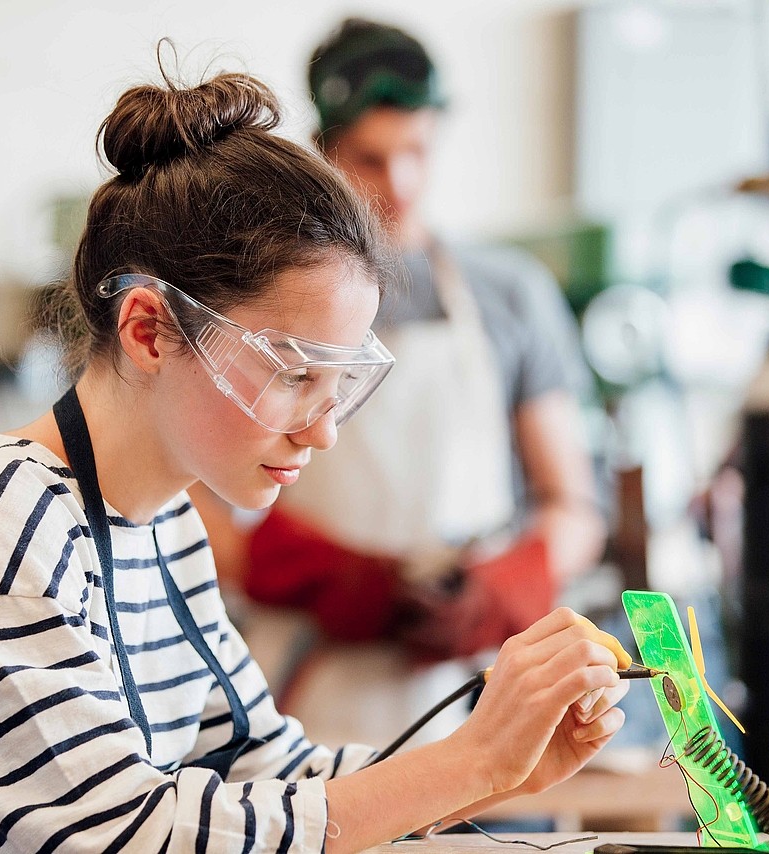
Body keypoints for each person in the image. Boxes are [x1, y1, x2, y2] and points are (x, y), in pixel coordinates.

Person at [0, 68, 633, 852]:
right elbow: (118, 836)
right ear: (150, 330)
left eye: (339, 384)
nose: (323, 430)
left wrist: (502, 762)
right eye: (295, 373)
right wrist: (469, 766)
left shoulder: (162, 524)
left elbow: (259, 772)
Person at [192, 18, 606, 747]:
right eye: (372, 158)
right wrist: (306, 573)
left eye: (417, 151)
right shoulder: (272, 292)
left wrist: (514, 581)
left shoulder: (510, 294)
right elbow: (193, 496)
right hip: (308, 684)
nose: (401, 184)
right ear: (326, 151)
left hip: (477, 684)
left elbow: (574, 504)